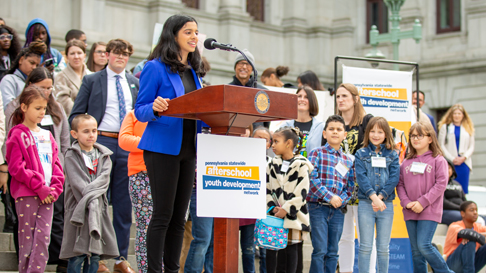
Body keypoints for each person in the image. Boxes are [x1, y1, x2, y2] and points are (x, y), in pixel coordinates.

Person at [134, 14, 206, 273]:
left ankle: (172, 270)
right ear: (173, 35)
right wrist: (153, 107)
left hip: (189, 151)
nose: (194, 37)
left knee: (179, 219)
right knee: (162, 215)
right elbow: (139, 109)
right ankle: (154, 270)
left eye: (196, 32)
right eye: (188, 32)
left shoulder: (194, 72)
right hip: (162, 148)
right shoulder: (154, 67)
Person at [69, 38, 139, 273]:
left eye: (126, 54)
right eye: (117, 53)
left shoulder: (133, 82)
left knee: (123, 205)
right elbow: (76, 114)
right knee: (97, 202)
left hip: (127, 144)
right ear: (107, 55)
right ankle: (96, 258)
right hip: (100, 142)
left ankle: (120, 258)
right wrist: (87, 139)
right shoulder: (92, 80)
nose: (121, 58)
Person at [3, 66, 70, 272]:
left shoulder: (47, 135)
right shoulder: (17, 133)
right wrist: (40, 187)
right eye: (37, 108)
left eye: (44, 108)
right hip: (27, 194)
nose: (42, 112)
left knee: (43, 239)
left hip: (48, 195)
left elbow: (56, 164)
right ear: (23, 107)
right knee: (27, 241)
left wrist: (55, 188)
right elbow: (16, 167)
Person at [60, 114, 119, 273]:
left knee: (94, 255)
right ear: (74, 134)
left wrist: (93, 198)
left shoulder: (104, 156)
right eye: (86, 131)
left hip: (98, 210)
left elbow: (104, 181)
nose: (91, 134)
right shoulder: (71, 155)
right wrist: (91, 196)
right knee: (77, 253)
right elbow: (78, 183)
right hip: (78, 209)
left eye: (94, 130)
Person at [396, 121, 454, 273]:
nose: (415, 139)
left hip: (429, 210)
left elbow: (441, 184)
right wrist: (406, 202)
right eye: (413, 136)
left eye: (420, 135)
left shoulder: (438, 160)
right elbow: (400, 184)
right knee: (416, 252)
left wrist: (422, 202)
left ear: (430, 138)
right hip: (410, 211)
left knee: (424, 245)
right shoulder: (406, 162)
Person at [332, 83, 376, 273]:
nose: (340, 100)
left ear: (355, 99)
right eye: (338, 97)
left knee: (366, 237)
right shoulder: (334, 123)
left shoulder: (367, 121)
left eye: (345, 96)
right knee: (344, 236)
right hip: (341, 188)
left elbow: (378, 149)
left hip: (364, 187)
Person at [307, 115, 355, 273]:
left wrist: (341, 199)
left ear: (344, 135)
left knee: (333, 251)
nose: (335, 132)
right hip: (318, 207)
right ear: (324, 133)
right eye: (331, 129)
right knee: (320, 250)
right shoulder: (316, 153)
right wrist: (330, 197)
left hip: (337, 210)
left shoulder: (348, 160)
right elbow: (312, 179)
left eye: (339, 129)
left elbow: (350, 186)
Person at [355, 117, 400, 273]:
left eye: (380, 132)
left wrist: (380, 198)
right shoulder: (360, 153)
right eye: (372, 131)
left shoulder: (393, 155)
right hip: (366, 204)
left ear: (386, 134)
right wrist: (374, 198)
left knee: (383, 248)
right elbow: (361, 178)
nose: (375, 135)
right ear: (367, 133)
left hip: (385, 205)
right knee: (365, 247)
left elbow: (394, 178)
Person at [265, 127, 312, 273]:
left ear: (288, 143)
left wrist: (286, 209)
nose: (272, 145)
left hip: (294, 218)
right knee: (274, 253)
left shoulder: (301, 165)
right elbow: (267, 189)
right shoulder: (271, 165)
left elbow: (301, 192)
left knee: (292, 253)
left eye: (276, 141)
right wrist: (273, 208)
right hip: (274, 218)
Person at [118, 110, 155, 273]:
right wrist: (151, 142)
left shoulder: (173, 115)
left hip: (168, 172)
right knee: (145, 226)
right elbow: (124, 140)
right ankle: (146, 269)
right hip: (141, 174)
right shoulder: (134, 115)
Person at [438, 104, 475, 194]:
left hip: (463, 163)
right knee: (448, 189)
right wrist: (452, 158)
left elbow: (471, 146)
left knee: (463, 190)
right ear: (451, 115)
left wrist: (464, 157)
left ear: (463, 115)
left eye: (459, 113)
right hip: (450, 163)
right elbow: (441, 145)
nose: (457, 116)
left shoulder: (468, 128)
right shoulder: (445, 127)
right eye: (455, 113)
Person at [280, 85, 324, 158]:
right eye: (299, 96)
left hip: (312, 168)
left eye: (306, 97)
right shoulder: (285, 127)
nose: (302, 99)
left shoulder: (321, 127)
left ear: (312, 101)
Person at [0, 40, 46, 108]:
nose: (34, 68)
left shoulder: (35, 83)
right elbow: (8, 108)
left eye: (37, 65)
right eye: (31, 63)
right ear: (21, 60)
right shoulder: (9, 80)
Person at [444, 201, 486, 272]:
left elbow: (471, 234)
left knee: (471, 237)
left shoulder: (478, 227)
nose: (475, 212)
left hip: (470, 264)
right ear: (462, 213)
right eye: (472, 210)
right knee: (470, 240)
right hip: (451, 265)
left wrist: (477, 235)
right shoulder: (454, 226)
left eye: (476, 210)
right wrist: (475, 236)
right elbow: (466, 233)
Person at [54, 39, 90, 116]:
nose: (76, 57)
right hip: (72, 118)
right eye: (72, 53)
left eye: (79, 53)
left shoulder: (91, 75)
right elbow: (63, 101)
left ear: (84, 55)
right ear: (67, 57)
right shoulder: (61, 76)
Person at [442, 159, 467, 226]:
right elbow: (443, 202)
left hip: (460, 210)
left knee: (483, 218)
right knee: (464, 217)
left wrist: (467, 208)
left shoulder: (457, 184)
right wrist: (460, 208)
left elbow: (464, 200)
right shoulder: (439, 184)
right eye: (445, 168)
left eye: (449, 168)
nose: (447, 170)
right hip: (445, 211)